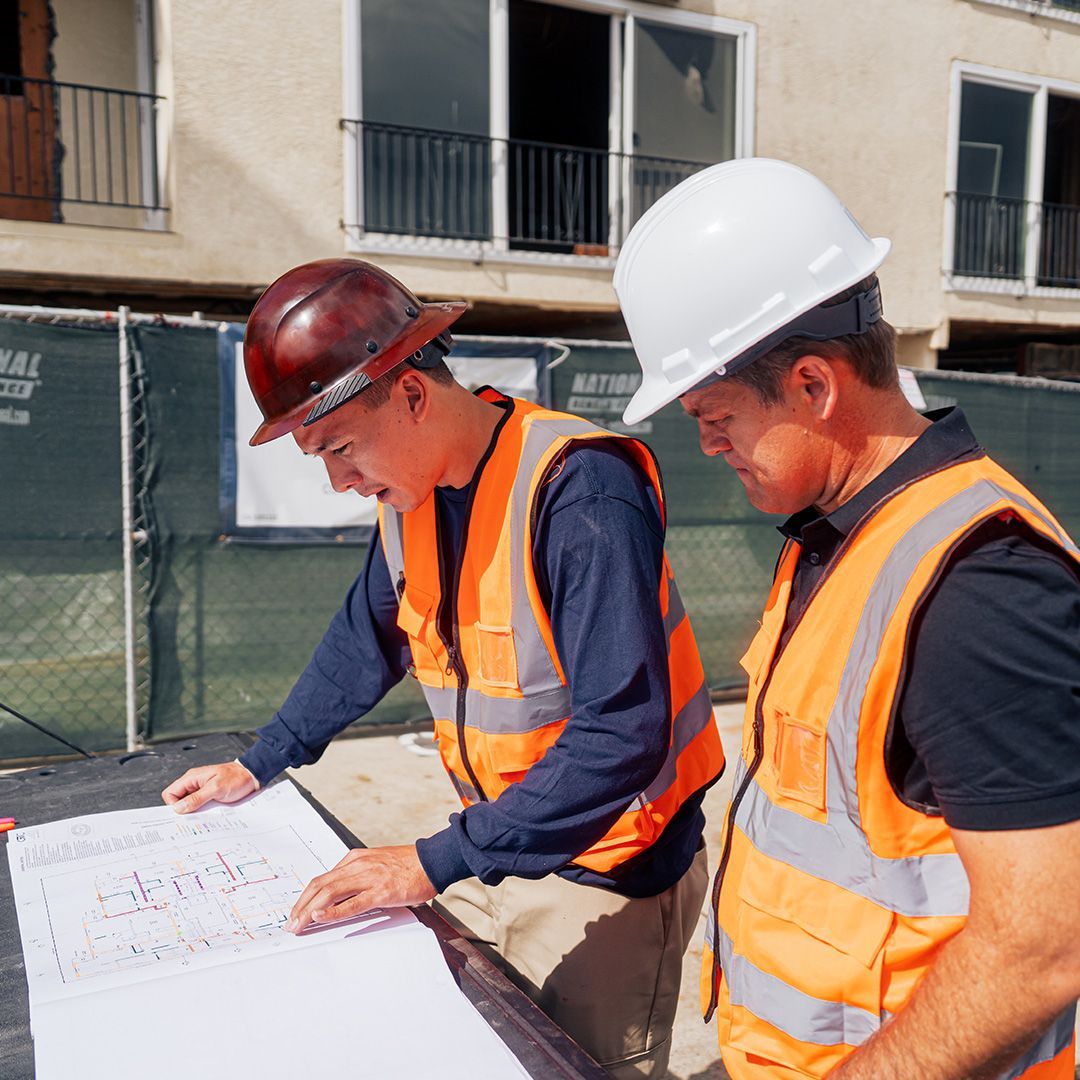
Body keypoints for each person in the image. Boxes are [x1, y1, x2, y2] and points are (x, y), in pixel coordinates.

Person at [161, 258, 725, 1078]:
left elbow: (623, 732)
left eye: (341, 447)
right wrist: (258, 761)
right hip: (489, 849)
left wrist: (427, 863)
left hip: (608, 873)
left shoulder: (581, 490)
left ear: (414, 396)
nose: (341, 480)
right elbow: (367, 639)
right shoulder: (409, 494)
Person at [614, 158, 1080, 1080]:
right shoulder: (835, 534)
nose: (707, 444)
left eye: (716, 414)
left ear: (816, 386)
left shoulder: (979, 588)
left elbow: (1043, 947)